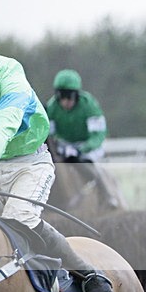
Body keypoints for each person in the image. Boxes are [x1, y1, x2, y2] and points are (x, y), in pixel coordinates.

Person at [0, 44, 114, 292]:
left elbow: (3, 125)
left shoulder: (13, 79)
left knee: (19, 217)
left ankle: (88, 274)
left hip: (30, 162)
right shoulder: (54, 106)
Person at [45, 68, 119, 208]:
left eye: (70, 97)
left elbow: (97, 135)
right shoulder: (52, 107)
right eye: (62, 97)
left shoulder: (89, 105)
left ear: (76, 95)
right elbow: (51, 134)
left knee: (87, 162)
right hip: (65, 145)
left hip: (89, 145)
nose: (66, 102)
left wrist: (82, 149)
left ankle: (107, 196)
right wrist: (59, 146)